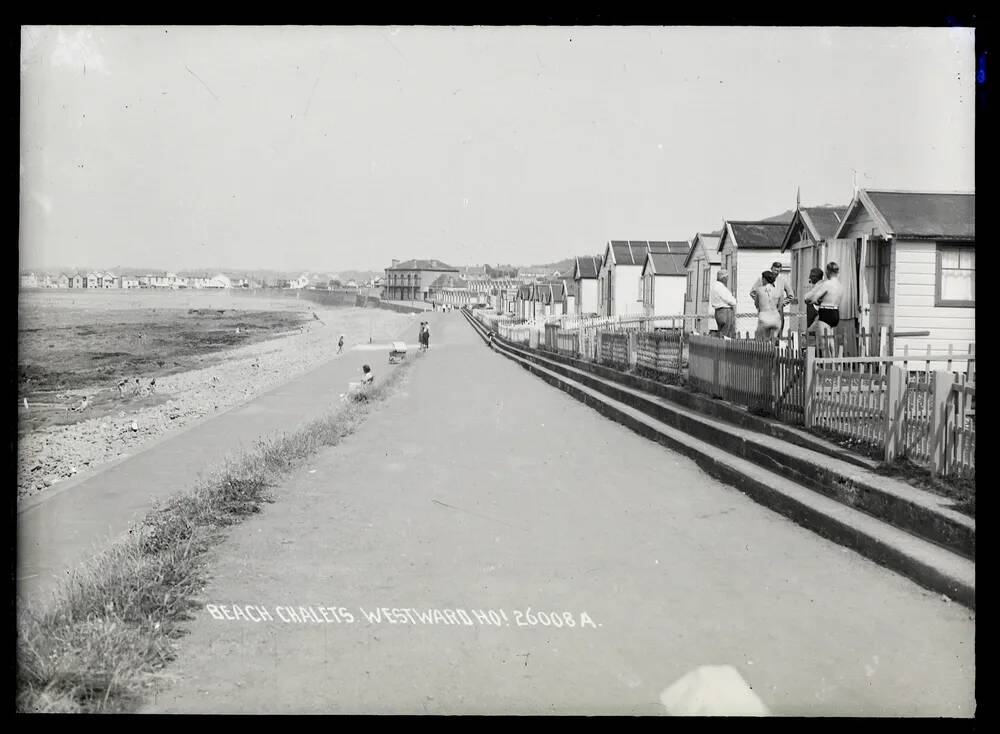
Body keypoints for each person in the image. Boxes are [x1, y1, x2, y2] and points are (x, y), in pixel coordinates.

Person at [804, 262, 845, 348]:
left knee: (824, 341)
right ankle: (833, 360)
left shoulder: (827, 284)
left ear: (828, 272)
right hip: (835, 312)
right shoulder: (840, 285)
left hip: (825, 312)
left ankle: (826, 360)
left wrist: (816, 301)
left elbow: (813, 298)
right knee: (830, 338)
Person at [749, 261, 794, 337]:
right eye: (775, 270)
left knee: (778, 332)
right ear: (771, 269)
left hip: (778, 309)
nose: (776, 272)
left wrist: (782, 303)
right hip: (765, 309)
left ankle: (776, 345)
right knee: (764, 333)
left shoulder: (782, 280)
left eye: (778, 271)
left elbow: (791, 295)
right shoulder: (762, 279)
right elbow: (753, 292)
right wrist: (762, 301)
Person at [752, 270, 782, 343]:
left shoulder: (759, 290)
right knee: (773, 341)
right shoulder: (778, 291)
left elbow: (756, 304)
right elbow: (780, 305)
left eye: (762, 278)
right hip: (776, 318)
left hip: (764, 317)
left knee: (760, 341)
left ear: (764, 279)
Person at [709, 271, 738, 338]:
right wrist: (734, 301)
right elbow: (729, 300)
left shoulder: (715, 286)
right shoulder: (721, 287)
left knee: (721, 332)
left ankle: (720, 347)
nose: (727, 280)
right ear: (723, 278)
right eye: (726, 277)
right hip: (725, 311)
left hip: (718, 311)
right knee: (727, 333)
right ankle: (725, 348)